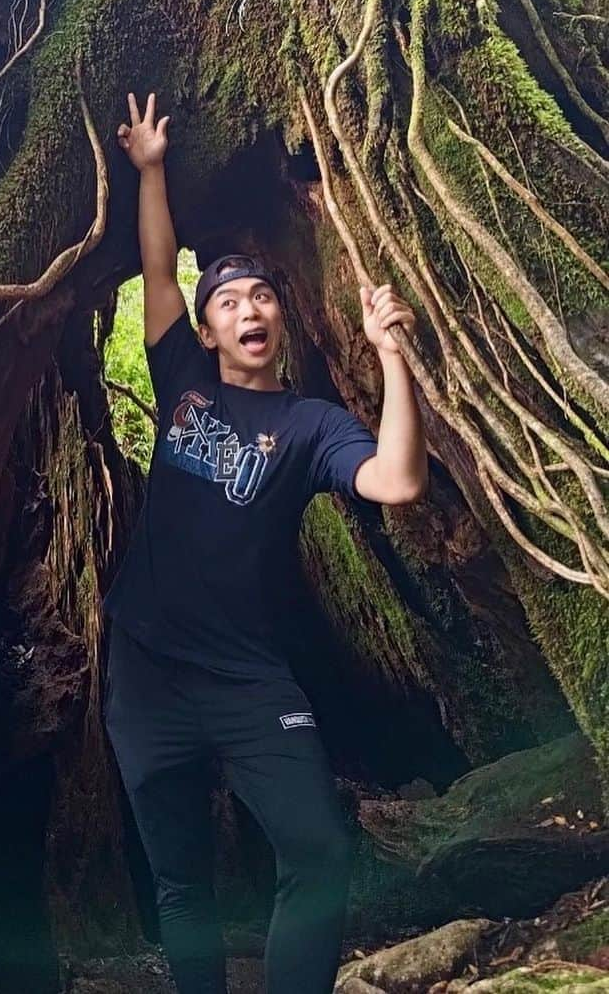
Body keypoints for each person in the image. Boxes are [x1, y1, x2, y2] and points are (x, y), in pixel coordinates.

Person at [101, 91, 428, 994]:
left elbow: (398, 482)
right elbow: (160, 268)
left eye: (261, 297)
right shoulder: (182, 384)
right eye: (229, 300)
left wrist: (392, 356)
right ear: (208, 332)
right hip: (147, 673)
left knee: (318, 851)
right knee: (179, 883)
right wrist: (152, 169)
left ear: (278, 320)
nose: (248, 308)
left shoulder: (311, 423)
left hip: (250, 682)